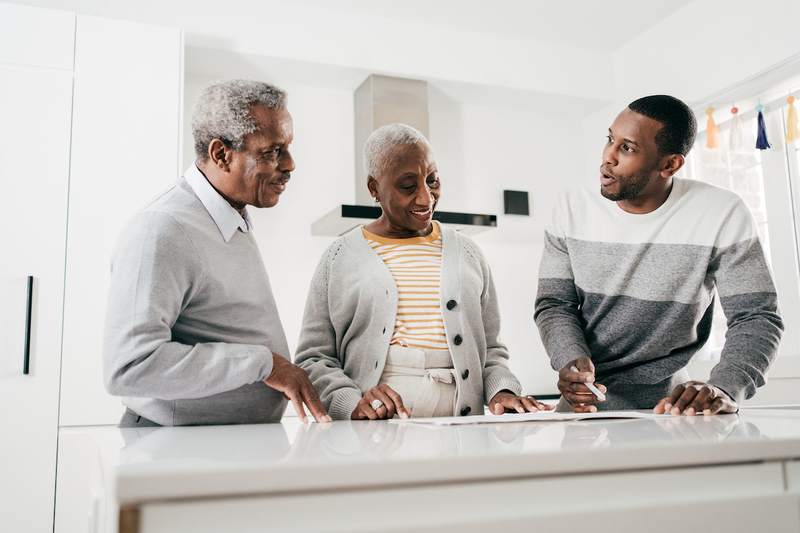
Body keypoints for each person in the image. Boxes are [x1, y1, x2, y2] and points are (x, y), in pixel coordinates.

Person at [534, 95, 783, 415]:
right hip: (585, 404)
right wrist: (570, 358)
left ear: (670, 164)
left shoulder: (721, 212)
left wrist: (724, 387)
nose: (607, 157)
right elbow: (555, 303)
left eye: (627, 148)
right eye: (610, 139)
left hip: (675, 408)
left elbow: (756, 315)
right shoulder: (571, 207)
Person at [104, 79, 329, 426]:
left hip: (222, 445)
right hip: (174, 449)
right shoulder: (163, 229)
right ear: (221, 154)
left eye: (288, 148)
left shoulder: (231, 216)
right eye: (272, 151)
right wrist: (265, 364)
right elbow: (131, 366)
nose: (290, 164)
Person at [295, 123, 551, 420]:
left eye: (433, 180)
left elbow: (490, 350)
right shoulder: (339, 257)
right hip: (377, 431)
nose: (426, 198)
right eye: (407, 186)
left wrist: (502, 391)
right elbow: (313, 357)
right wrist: (351, 402)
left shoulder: (468, 253)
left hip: (461, 428)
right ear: (374, 188)